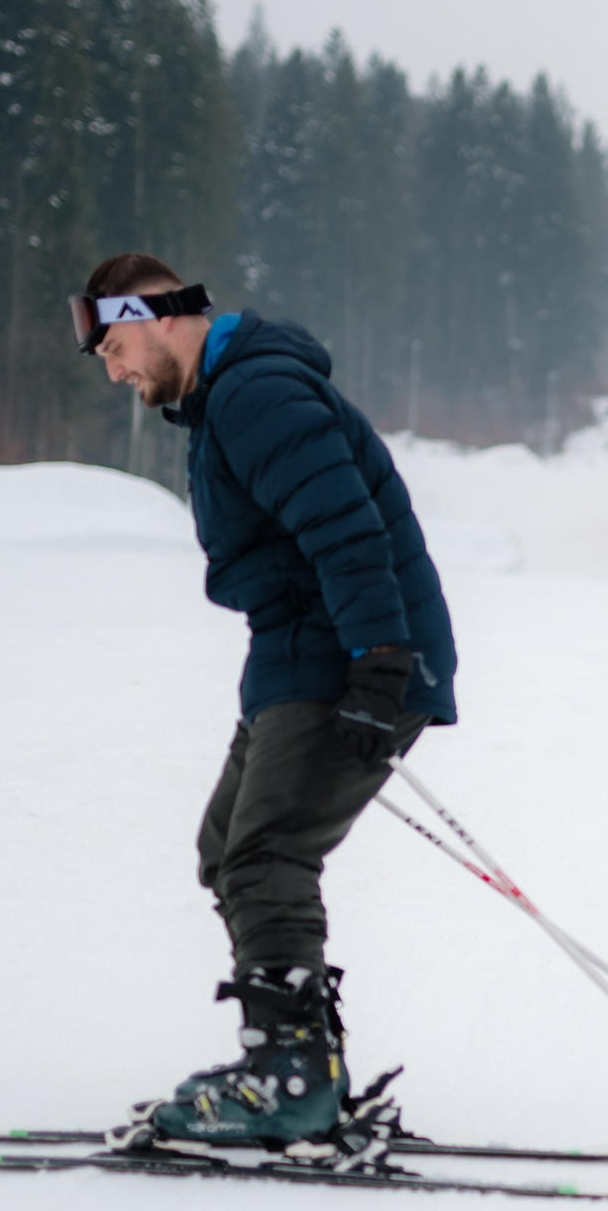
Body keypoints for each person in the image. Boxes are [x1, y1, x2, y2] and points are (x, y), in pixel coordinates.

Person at [72, 253, 458, 1151]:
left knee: (264, 854)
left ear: (162, 314)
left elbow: (347, 532)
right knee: (229, 846)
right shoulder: (223, 401)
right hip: (301, 656)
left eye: (117, 345)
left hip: (350, 655)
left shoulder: (255, 397)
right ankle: (299, 1059)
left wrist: (378, 667)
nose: (114, 369)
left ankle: (292, 1083)